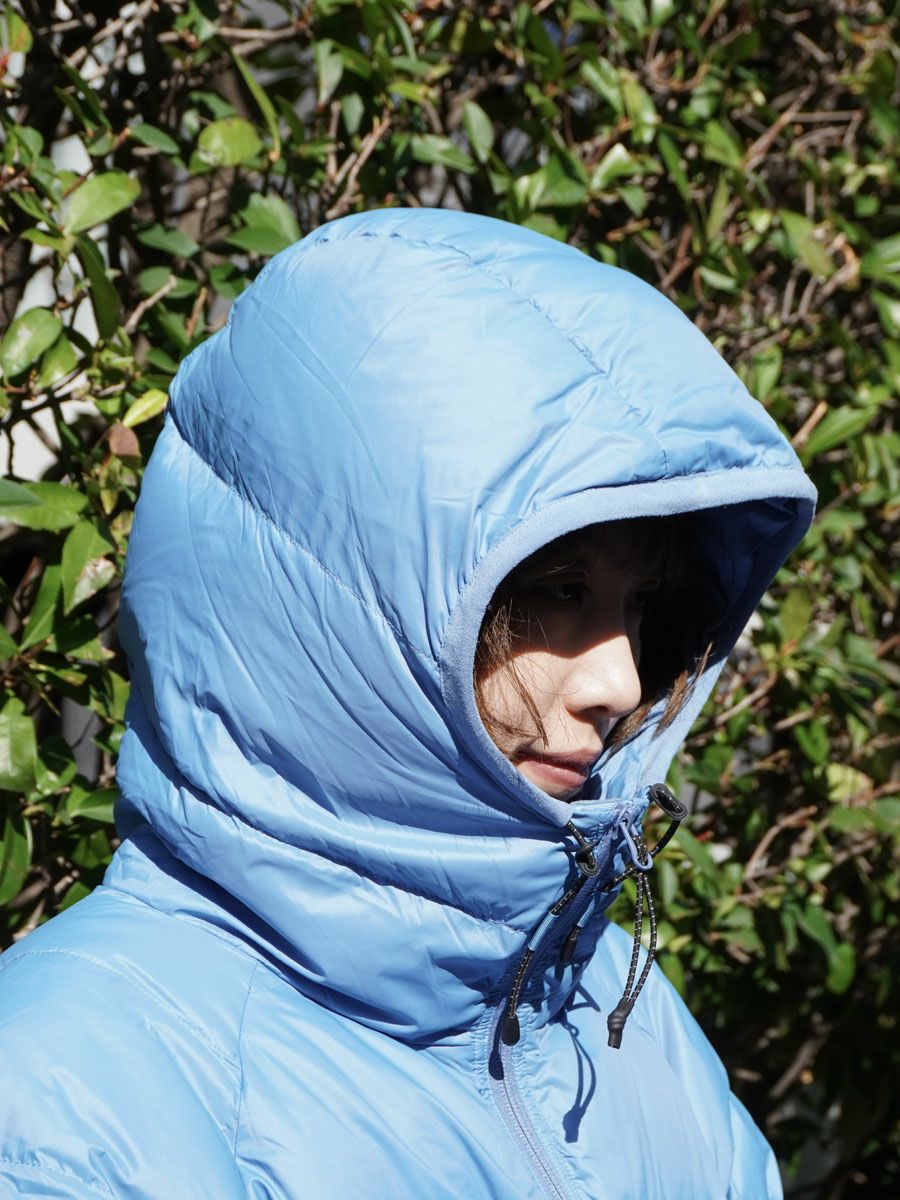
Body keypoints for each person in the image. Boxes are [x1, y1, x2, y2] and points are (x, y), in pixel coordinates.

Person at [0, 208, 815, 1198]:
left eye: (641, 606)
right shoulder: (63, 1109)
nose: (622, 684)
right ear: (340, 617)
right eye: (557, 592)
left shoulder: (618, 1017)